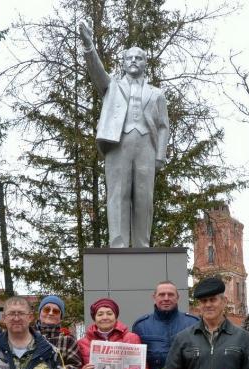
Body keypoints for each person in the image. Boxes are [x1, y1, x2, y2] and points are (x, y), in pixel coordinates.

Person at [79, 22, 170, 248]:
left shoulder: (157, 94)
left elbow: (163, 126)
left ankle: (142, 244)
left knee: (144, 198)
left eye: (138, 58)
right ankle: (118, 244)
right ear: (123, 63)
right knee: (117, 195)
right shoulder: (112, 87)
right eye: (129, 58)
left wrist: (160, 155)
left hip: (146, 147)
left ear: (145, 64)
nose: (133, 61)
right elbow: (97, 72)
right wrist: (89, 44)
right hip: (118, 144)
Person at [35, 294, 82, 369]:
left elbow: (76, 366)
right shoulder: (27, 335)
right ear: (40, 313)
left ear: (60, 317)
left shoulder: (68, 340)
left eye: (56, 311)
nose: (50, 313)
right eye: (46, 309)